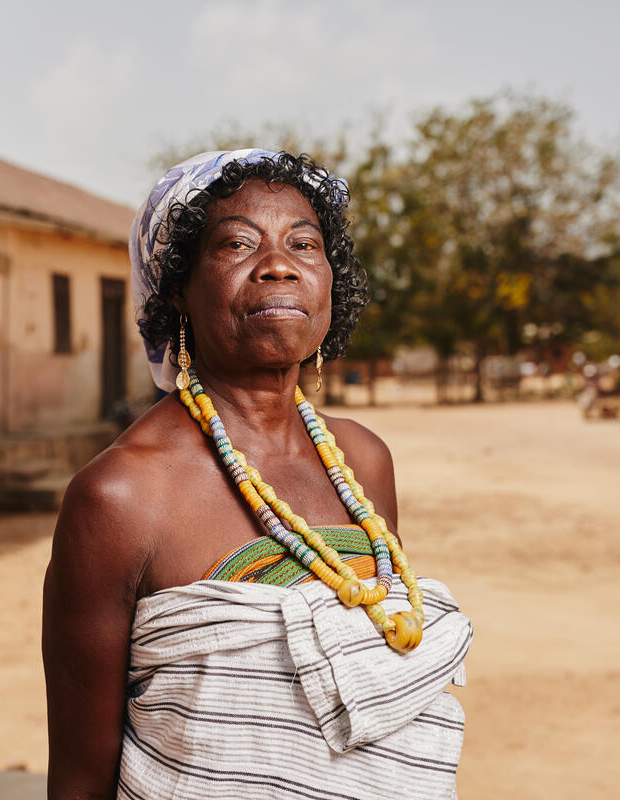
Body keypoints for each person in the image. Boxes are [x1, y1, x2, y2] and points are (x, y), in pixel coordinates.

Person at [42, 150, 472, 799]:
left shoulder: (364, 463)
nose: (279, 263)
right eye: (238, 243)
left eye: (304, 242)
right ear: (177, 287)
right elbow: (80, 779)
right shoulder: (121, 498)